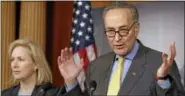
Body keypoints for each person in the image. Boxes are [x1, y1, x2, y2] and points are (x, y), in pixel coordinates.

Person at [57, 2, 185, 96]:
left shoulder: (159, 63)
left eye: (123, 30)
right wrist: (71, 81)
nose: (117, 38)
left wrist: (162, 80)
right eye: (111, 31)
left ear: (136, 29)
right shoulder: (96, 66)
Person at [2, 39, 81, 96]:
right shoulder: (4, 94)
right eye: (12, 60)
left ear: (36, 64)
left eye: (21, 59)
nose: (14, 65)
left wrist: (71, 81)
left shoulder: (53, 93)